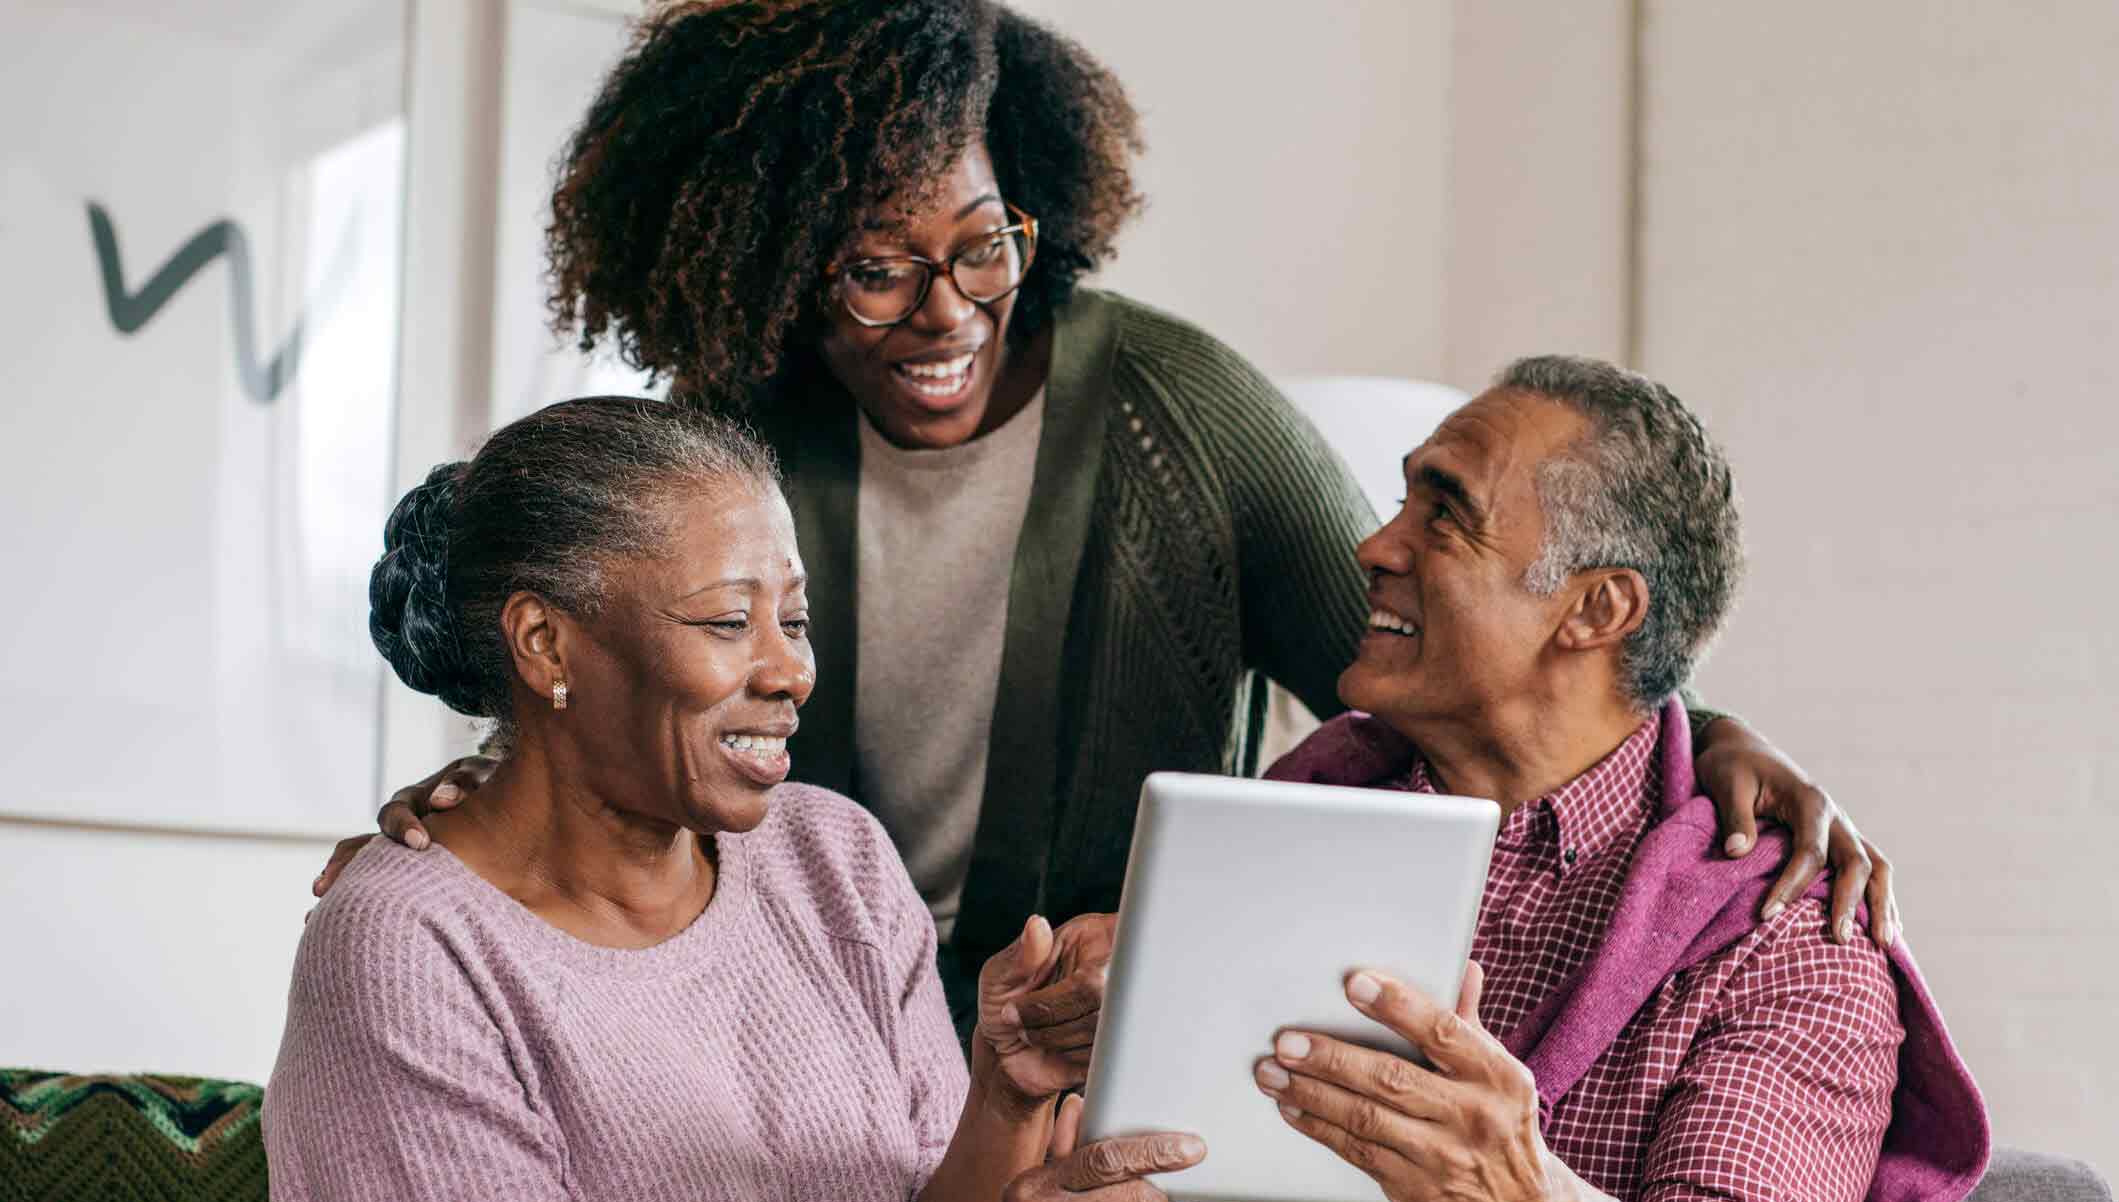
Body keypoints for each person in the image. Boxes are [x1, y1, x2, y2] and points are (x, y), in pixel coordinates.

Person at [315, 0, 1896, 1031]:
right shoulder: (723, 447)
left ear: (1038, 213)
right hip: (788, 1046)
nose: (946, 312)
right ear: (778, 260)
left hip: (1092, 1053)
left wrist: (1701, 729)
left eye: (983, 245)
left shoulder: (1181, 412)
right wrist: (481, 800)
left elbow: (1445, 658)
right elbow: (605, 690)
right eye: (874, 266)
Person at [1063, 358, 1988, 1202]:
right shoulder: (1277, 835)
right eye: (1400, 497)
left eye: (1443, 513)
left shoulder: (1782, 923)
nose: (1374, 547)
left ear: (1595, 609)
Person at [265, 396, 1208, 1202]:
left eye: (792, 619)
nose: (790, 669)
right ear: (544, 645)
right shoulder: (408, 945)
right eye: (726, 621)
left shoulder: (830, 856)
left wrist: (1004, 1098)